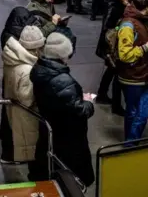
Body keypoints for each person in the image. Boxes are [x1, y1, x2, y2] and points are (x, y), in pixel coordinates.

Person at [30, 32, 95, 187]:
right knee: (69, 179)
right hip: (69, 138)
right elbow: (81, 111)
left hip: (50, 129)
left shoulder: (39, 70)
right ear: (62, 55)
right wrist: (88, 102)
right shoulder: (63, 81)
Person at [116, 0, 148, 142]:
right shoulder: (127, 25)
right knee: (135, 112)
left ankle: (131, 141)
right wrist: (144, 48)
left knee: (140, 112)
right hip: (132, 77)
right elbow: (124, 54)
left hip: (144, 73)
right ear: (146, 7)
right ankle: (130, 144)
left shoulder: (142, 19)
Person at [3, 26, 46, 163]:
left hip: (14, 113)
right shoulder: (28, 70)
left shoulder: (12, 58)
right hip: (26, 119)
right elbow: (27, 100)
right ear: (36, 48)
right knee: (32, 157)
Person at [95, 0, 130, 115]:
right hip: (111, 46)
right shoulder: (115, 8)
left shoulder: (119, 6)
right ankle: (116, 105)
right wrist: (118, 28)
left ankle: (102, 94)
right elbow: (108, 27)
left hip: (111, 45)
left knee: (111, 70)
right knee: (116, 73)